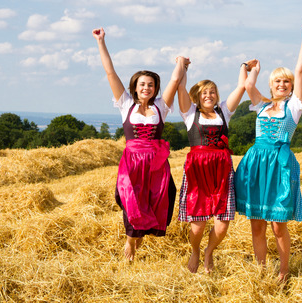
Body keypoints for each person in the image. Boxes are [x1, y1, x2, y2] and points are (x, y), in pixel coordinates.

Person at [92, 27, 190, 261]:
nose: (146, 88)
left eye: (151, 85)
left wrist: (181, 62)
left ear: (155, 88)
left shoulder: (161, 107)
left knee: (160, 197)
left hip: (156, 162)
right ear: (135, 87)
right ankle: (130, 243)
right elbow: (110, 73)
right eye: (142, 84)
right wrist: (100, 41)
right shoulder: (126, 105)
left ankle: (137, 239)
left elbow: (176, 80)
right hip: (132, 162)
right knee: (131, 200)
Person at [234, 21, 302, 281]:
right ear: (272, 85)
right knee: (256, 223)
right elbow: (247, 86)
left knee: (278, 225)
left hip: (279, 165)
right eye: (278, 80)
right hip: (256, 163)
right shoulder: (261, 105)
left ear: (291, 86)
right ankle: (261, 271)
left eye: (286, 81)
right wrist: (251, 69)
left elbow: (300, 70)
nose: (282, 84)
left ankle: (283, 270)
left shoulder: (294, 107)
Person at [177, 59, 257, 273]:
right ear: (198, 96)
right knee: (198, 224)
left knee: (222, 225)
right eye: (204, 92)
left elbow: (241, 87)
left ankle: (208, 251)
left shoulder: (224, 112)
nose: (208, 95)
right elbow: (180, 86)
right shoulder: (189, 113)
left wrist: (244, 67)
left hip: (222, 172)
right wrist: (183, 67)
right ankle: (195, 250)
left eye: (212, 92)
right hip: (197, 172)